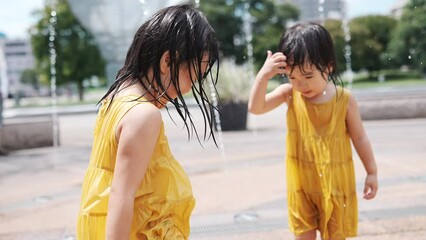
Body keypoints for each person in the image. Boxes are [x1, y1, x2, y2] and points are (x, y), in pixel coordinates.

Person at [76, 4, 219, 240]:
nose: (189, 88)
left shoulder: (116, 98)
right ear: (167, 62)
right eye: (193, 77)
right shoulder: (144, 115)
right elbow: (121, 195)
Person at [248, 22, 378, 240]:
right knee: (303, 235)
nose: (301, 85)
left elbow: (360, 137)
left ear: (328, 67)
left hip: (336, 184)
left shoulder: (344, 100)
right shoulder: (289, 94)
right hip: (301, 184)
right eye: (293, 77)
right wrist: (263, 76)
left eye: (308, 76)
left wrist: (371, 172)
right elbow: (256, 107)